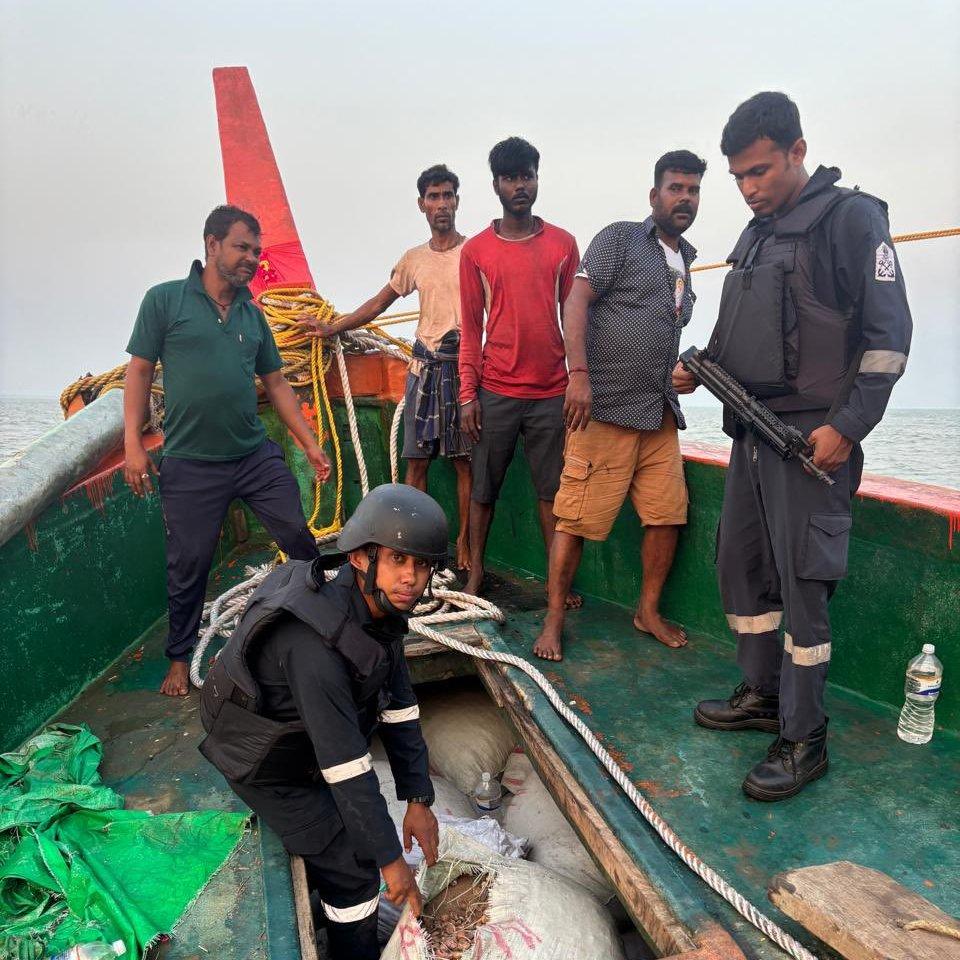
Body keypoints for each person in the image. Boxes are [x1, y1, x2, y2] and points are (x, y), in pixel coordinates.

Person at [673, 92, 912, 800]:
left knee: (804, 594)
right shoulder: (755, 233)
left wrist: (847, 427)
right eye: (738, 177)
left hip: (812, 444)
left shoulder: (851, 220)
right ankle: (764, 694)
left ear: (797, 152)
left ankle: (804, 737)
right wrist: (698, 367)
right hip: (750, 434)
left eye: (760, 171)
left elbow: (888, 341)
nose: (749, 189)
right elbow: (739, 329)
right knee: (743, 572)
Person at [198, 484, 445, 960]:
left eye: (422, 565)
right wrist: (392, 864)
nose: (411, 578)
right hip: (265, 764)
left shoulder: (381, 612)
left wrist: (418, 799)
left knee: (361, 837)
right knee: (354, 868)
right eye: (397, 560)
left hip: (307, 745)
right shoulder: (313, 645)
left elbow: (399, 706)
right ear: (360, 558)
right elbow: (347, 768)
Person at [123, 205, 331, 697]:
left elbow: (277, 383)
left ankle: (318, 622)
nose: (252, 260)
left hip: (253, 456)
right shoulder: (165, 301)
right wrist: (133, 443)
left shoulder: (251, 315)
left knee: (298, 537)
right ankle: (179, 656)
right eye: (242, 248)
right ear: (211, 245)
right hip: (191, 464)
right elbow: (138, 371)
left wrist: (309, 444)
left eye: (257, 252)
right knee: (188, 563)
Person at [533, 151, 706, 662]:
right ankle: (554, 617)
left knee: (667, 515)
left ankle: (647, 611)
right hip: (604, 407)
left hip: (659, 414)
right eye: (675, 188)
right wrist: (579, 375)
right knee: (575, 518)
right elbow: (577, 301)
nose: (685, 198)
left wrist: (682, 373)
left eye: (693, 190)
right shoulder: (620, 239)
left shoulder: (687, 260)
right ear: (654, 196)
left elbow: (663, 332)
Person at [301, 164, 472, 570]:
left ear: (457, 201)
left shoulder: (475, 252)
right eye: (433, 197)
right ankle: (414, 546)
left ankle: (466, 542)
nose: (442, 204)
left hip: (462, 369)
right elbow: (379, 304)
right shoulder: (413, 259)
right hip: (424, 369)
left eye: (448, 195)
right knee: (416, 462)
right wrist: (331, 328)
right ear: (421, 205)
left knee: (465, 463)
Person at [459, 137, 580, 600]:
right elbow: (471, 329)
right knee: (483, 490)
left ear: (536, 178)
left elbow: (573, 320)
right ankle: (473, 575)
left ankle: (556, 583)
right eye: (510, 178)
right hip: (496, 390)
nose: (520, 186)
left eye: (527, 175)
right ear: (496, 185)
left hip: (551, 392)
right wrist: (468, 394)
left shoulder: (564, 245)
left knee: (552, 493)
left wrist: (576, 380)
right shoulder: (476, 252)